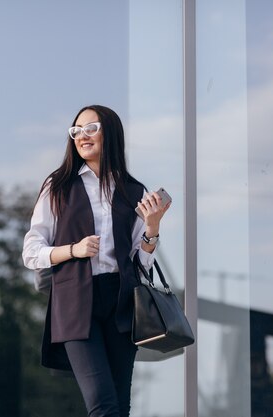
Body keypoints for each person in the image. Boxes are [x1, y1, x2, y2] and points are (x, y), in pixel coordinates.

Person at [22, 104, 170, 417]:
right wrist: (73, 250)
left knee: (119, 405)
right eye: (76, 131)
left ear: (111, 134)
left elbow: (139, 267)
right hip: (75, 301)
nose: (82, 136)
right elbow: (31, 252)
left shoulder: (134, 191)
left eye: (92, 129)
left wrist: (153, 227)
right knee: (103, 405)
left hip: (120, 302)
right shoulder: (58, 186)